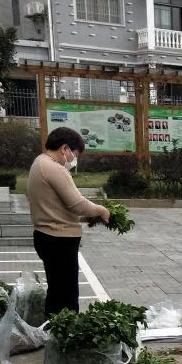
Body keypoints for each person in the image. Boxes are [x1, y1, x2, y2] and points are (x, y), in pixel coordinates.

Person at [26, 127, 109, 316]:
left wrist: (84, 217)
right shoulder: (53, 167)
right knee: (66, 295)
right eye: (74, 153)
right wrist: (101, 210)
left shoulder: (40, 163)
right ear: (64, 148)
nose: (73, 158)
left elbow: (56, 206)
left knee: (57, 290)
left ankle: (54, 331)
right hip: (58, 239)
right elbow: (77, 203)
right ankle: (63, 335)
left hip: (48, 235)